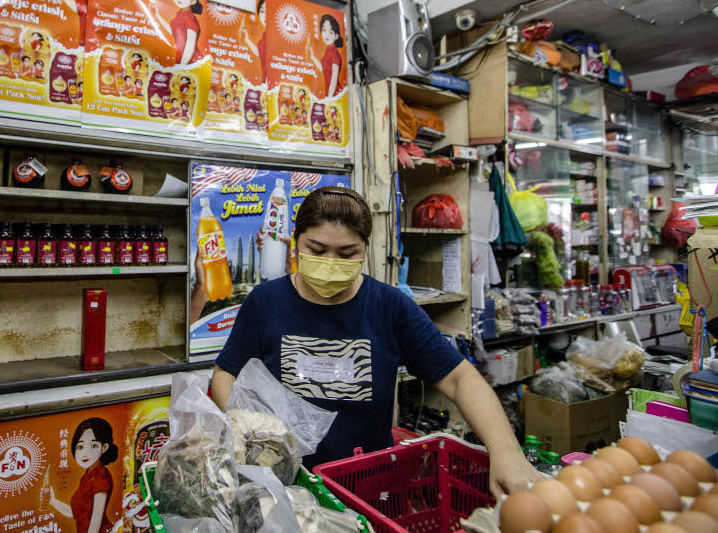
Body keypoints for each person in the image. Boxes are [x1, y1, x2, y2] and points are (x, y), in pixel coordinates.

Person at [211, 187, 541, 497]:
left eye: (347, 253)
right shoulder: (265, 301)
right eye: (317, 249)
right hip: (283, 484)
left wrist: (506, 452)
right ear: (295, 242)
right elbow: (226, 374)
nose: (330, 262)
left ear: (365, 249)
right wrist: (246, 426)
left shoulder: (389, 306)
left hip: (368, 486)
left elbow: (459, 378)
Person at [43, 417, 117, 533]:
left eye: (93, 446)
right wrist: (52, 500)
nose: (85, 453)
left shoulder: (101, 477)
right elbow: (77, 514)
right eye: (80, 447)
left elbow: (95, 521)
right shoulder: (87, 476)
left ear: (104, 447)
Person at [155, 0, 204, 65]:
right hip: (182, 57)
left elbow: (190, 45)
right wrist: (158, 16)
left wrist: (182, 66)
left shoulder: (189, 18)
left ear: (193, 1)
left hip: (191, 60)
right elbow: (174, 31)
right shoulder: (181, 14)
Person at [307, 13, 345, 99]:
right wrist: (312, 56)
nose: (326, 35)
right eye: (324, 30)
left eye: (330, 32)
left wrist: (330, 98)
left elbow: (334, 80)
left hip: (335, 93)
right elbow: (323, 69)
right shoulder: (328, 50)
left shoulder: (334, 53)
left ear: (336, 36)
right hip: (330, 93)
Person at [240, 0, 267, 84]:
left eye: (269, 12)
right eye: (262, 11)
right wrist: (247, 39)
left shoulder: (276, 36)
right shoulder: (265, 35)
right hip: (265, 82)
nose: (265, 16)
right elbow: (261, 54)